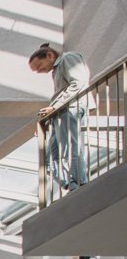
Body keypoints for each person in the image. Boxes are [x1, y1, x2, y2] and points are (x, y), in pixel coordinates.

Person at [30, 43, 90, 191]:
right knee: (48, 158)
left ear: (50, 55)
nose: (39, 71)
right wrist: (48, 121)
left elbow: (78, 83)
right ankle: (73, 186)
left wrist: (55, 107)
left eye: (39, 66)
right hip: (61, 112)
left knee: (71, 148)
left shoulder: (68, 58)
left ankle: (81, 183)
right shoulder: (56, 69)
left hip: (70, 108)